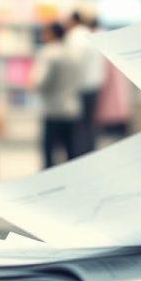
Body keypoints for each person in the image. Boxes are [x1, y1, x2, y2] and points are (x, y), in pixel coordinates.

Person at [34, 21, 81, 167]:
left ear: (52, 34)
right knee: (70, 152)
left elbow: (41, 82)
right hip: (72, 108)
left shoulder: (48, 53)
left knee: (49, 155)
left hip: (53, 110)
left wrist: (33, 84)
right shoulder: (72, 53)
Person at [65, 11, 106, 155]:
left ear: (73, 21)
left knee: (78, 126)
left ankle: (79, 155)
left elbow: (73, 64)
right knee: (90, 124)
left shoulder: (74, 37)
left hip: (80, 87)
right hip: (95, 85)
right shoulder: (90, 35)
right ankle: (90, 152)